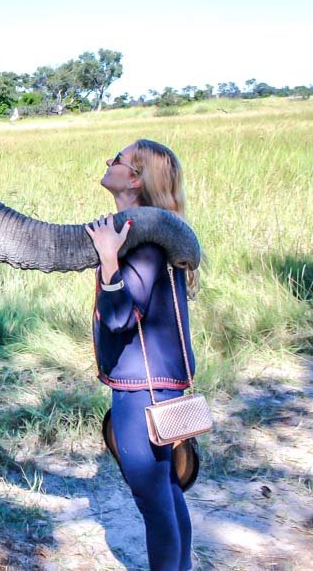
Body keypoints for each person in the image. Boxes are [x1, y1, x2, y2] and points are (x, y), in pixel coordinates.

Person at [85, 139, 199, 571]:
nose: (107, 162)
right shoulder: (155, 234)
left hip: (141, 393)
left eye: (116, 159)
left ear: (134, 179)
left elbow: (121, 317)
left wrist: (109, 260)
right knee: (167, 490)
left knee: (154, 501)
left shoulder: (145, 243)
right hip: (160, 387)